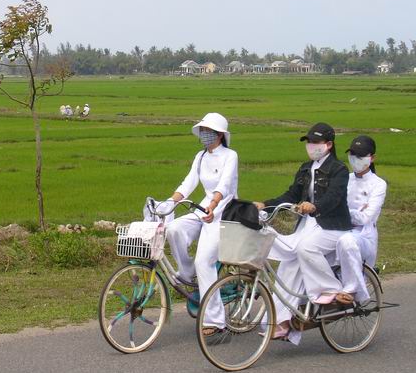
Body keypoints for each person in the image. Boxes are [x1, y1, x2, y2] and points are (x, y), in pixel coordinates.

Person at [254, 122, 352, 340]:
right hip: (308, 226)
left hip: (333, 226)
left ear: (328, 145)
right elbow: (291, 195)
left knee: (305, 248)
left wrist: (315, 206)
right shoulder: (306, 168)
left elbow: (334, 198)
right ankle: (282, 321)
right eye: (309, 142)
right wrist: (265, 204)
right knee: (288, 264)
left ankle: (332, 290)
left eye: (315, 142)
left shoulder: (339, 170)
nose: (311, 146)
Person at [164, 113, 239, 337]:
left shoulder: (230, 155)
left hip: (223, 212)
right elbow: (188, 182)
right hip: (203, 208)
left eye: (209, 131)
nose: (204, 135)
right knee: (173, 228)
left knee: (204, 261)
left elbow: (225, 185)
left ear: (219, 135)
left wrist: (214, 205)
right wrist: (169, 202)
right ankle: (186, 273)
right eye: (203, 131)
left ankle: (215, 321)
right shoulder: (200, 157)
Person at [335, 135, 387, 304]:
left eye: (361, 156)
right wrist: (353, 211)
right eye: (353, 155)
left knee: (346, 241)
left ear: (372, 158)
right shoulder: (345, 179)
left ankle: (352, 290)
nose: (355, 159)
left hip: (363, 236)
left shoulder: (378, 184)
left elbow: (365, 218)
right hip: (340, 228)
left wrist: (345, 211)